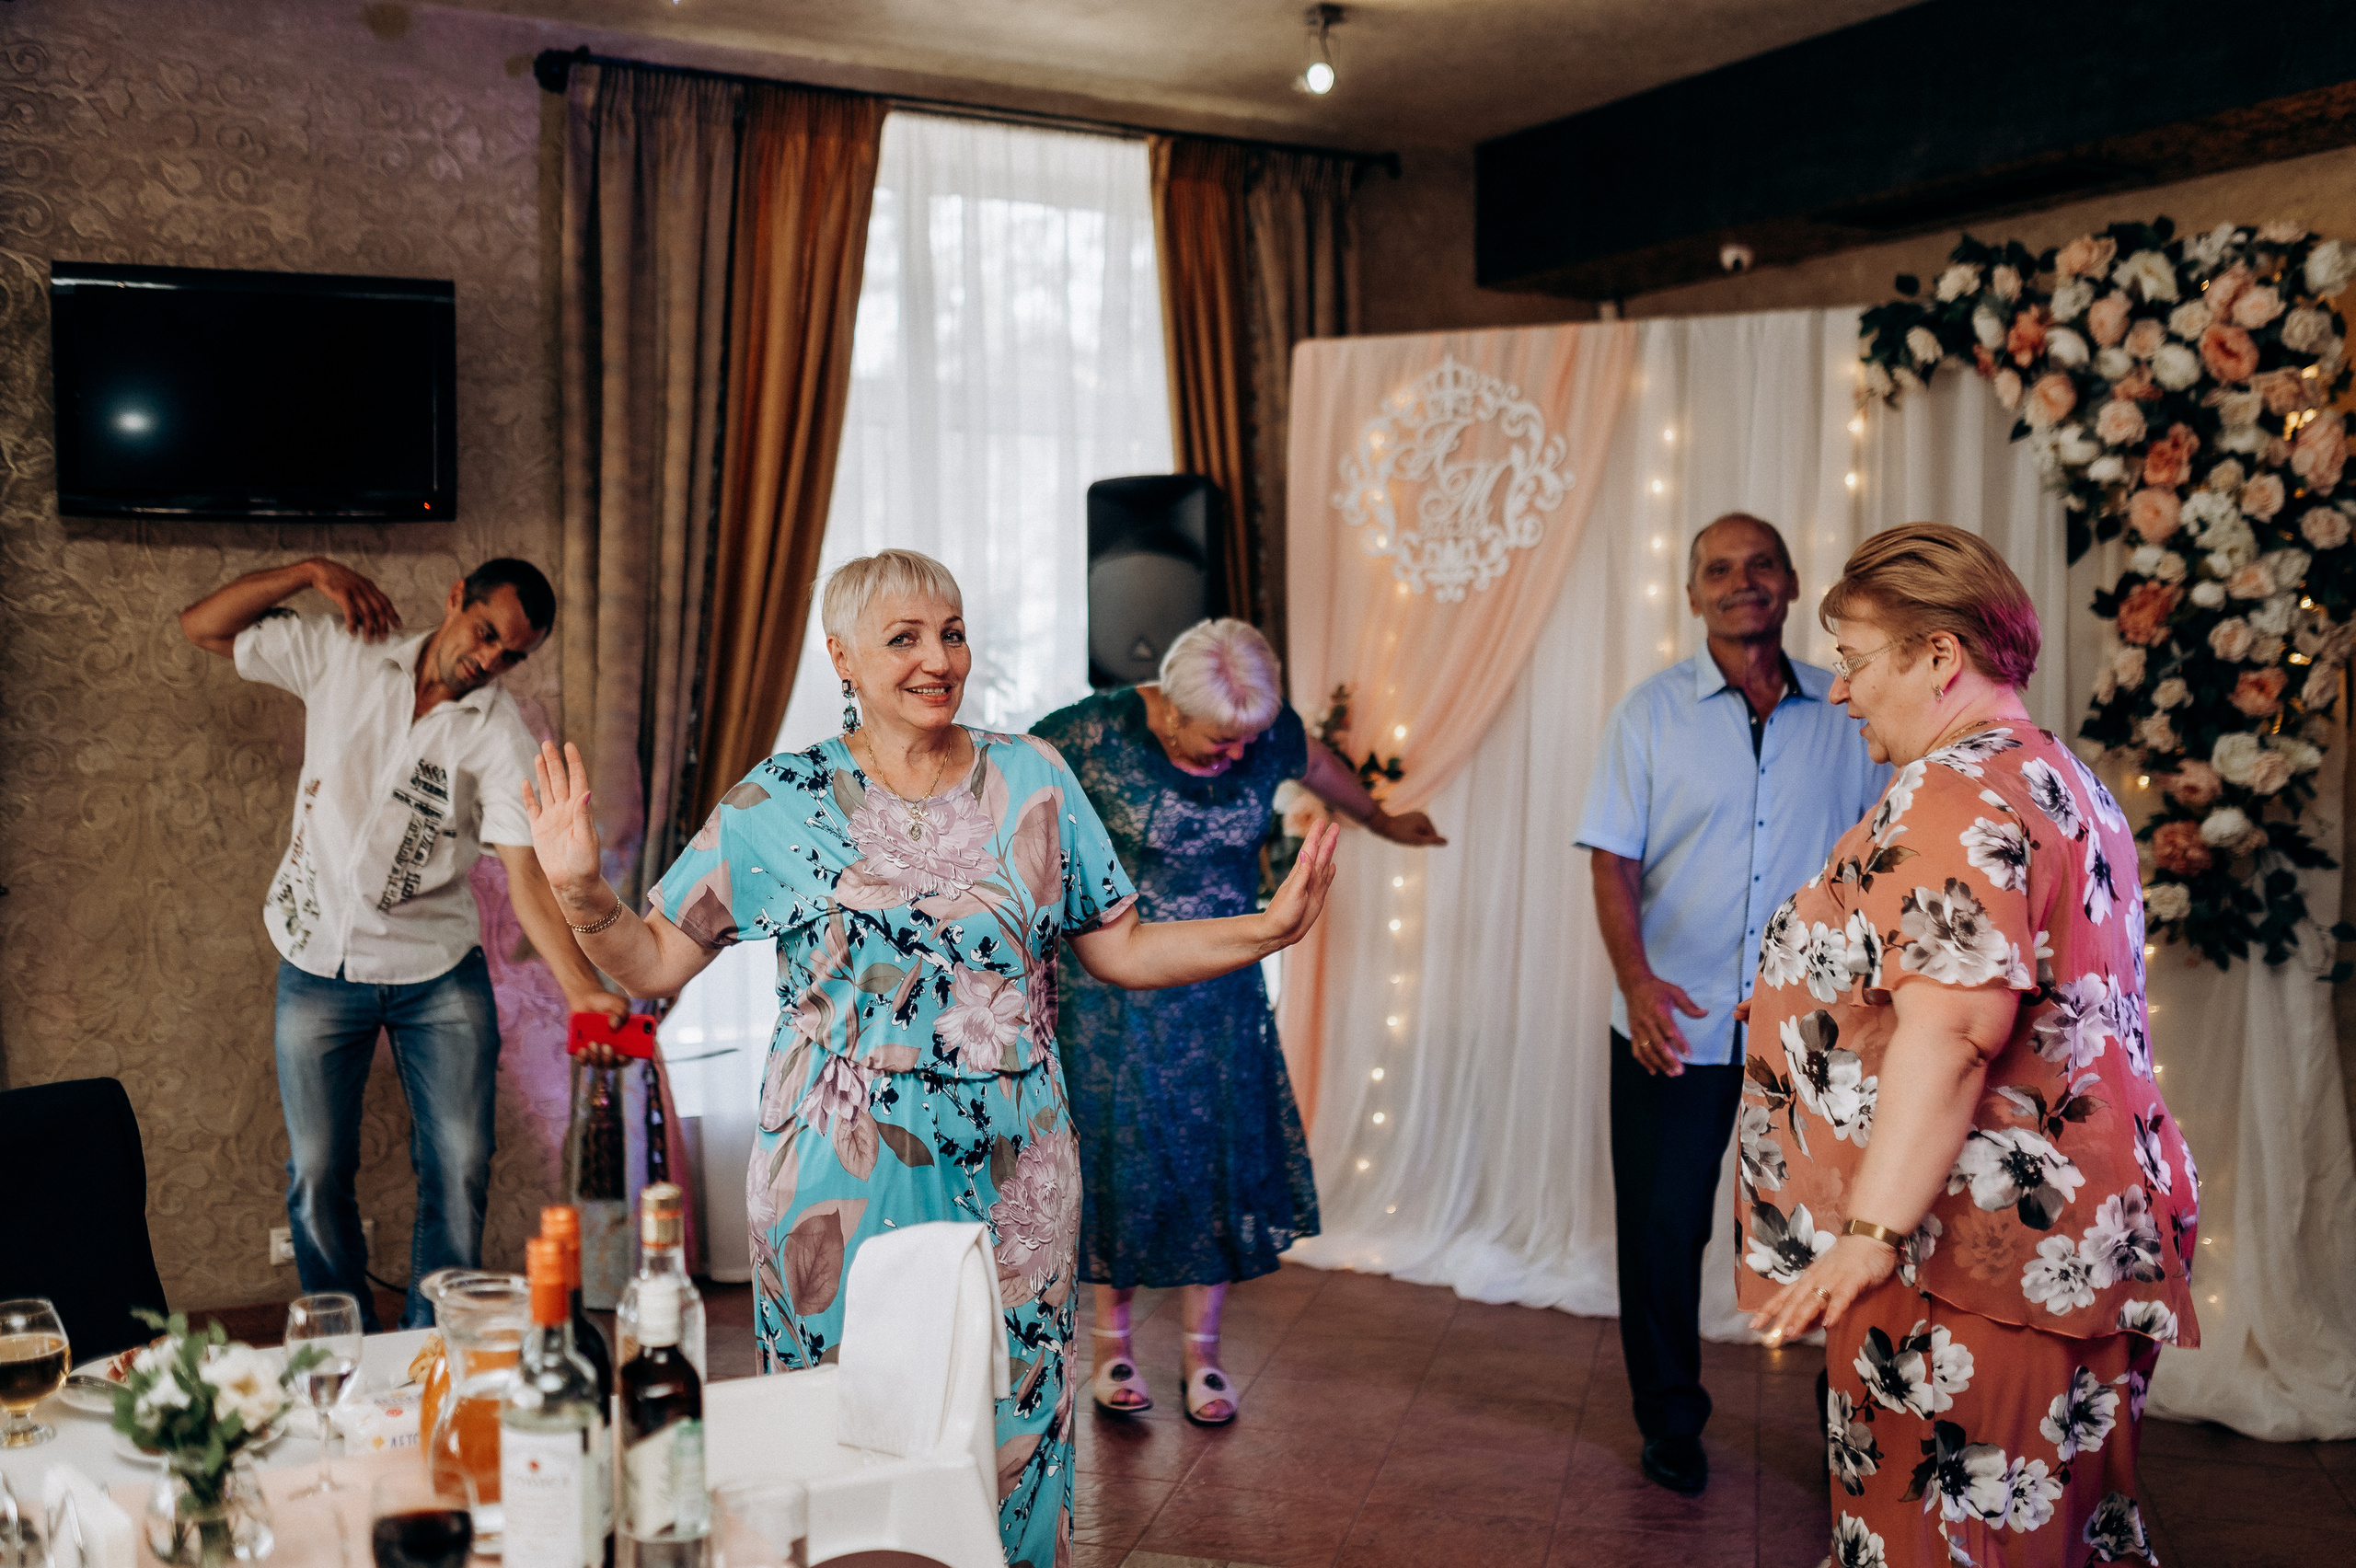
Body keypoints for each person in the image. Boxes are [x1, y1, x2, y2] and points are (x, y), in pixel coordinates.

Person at [522, 550, 1340, 1566]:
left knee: (1014, 1418)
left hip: (1016, 1170)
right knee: (836, 1416)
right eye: (903, 638)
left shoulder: (1035, 780)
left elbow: (1120, 946)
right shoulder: (781, 800)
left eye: (949, 632)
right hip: (833, 1167)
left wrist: (1263, 928)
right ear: (844, 659)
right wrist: (576, 888)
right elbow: (647, 962)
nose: (936, 658)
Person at [1739, 524, 2196, 1568]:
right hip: (2083, 1229)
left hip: (1968, 1247)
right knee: (2052, 1535)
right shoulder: (2059, 776)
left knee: (1942, 1541)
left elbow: (1953, 1035)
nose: (1841, 693)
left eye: (1855, 663)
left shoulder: (1949, 791)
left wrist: (1867, 1232)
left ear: (1938, 656)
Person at [179, 557, 627, 1330]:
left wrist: (582, 987)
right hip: (316, 962)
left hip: (435, 974)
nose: (489, 661)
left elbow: (525, 877)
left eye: (511, 654)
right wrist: (309, 571)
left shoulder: (499, 731)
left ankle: (429, 1348)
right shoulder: (344, 651)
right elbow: (203, 627)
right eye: (486, 633)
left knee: (457, 1166)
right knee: (317, 1173)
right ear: (457, 599)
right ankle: (340, 1339)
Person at [1033, 619, 1445, 1425]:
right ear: (1170, 710)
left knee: (1213, 1160)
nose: (1234, 758)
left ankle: (1202, 1356)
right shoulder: (1090, 730)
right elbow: (1005, 789)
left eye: (1246, 743)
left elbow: (1317, 763)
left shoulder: (1265, 733)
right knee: (1122, 1161)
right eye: (1217, 741)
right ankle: (1112, 1345)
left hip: (1223, 992)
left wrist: (1383, 818)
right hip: (1115, 994)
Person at [1574, 513, 1887, 1494]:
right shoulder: (1648, 714)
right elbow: (1612, 860)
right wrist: (1634, 980)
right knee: (1664, 1235)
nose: (1739, 581)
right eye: (1718, 568)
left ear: (1791, 584)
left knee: (1833, 1240)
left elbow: (1883, 856)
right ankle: (1668, 1424)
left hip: (1816, 1037)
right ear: (1692, 594)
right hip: (1677, 1024)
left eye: (1759, 565)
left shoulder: (1849, 713)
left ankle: (1846, 1437)